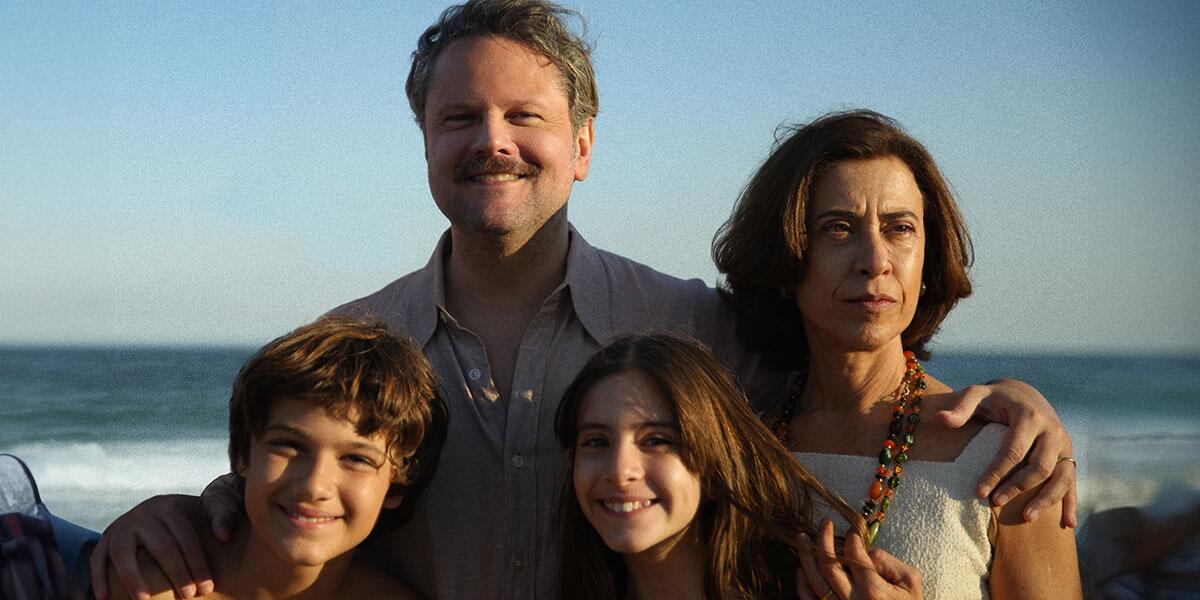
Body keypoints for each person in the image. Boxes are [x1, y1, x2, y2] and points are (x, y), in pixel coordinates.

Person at [91, 3, 1076, 599]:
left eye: (527, 115)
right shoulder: (354, 347)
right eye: (459, 118)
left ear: (586, 145)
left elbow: (857, 378)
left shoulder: (700, 332)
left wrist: (1011, 402)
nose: (495, 140)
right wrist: (181, 509)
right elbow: (289, 501)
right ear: (425, 142)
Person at [713, 109, 1081, 598]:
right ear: (784, 258)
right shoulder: (740, 452)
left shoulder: (1009, 456)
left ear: (928, 256)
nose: (875, 261)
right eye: (838, 228)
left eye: (900, 228)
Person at [556, 333, 922, 600]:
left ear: (715, 464)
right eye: (597, 442)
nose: (620, 471)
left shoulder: (821, 592)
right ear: (572, 464)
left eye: (657, 441)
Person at [105, 316, 446, 600]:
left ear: (398, 484)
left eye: (356, 459)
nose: (315, 486)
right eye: (289, 445)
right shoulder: (152, 584)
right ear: (243, 454)